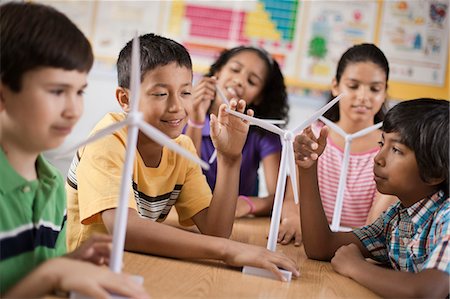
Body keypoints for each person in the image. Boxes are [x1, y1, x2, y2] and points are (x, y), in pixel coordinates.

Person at [66, 33, 299, 281]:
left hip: (137, 267)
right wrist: (229, 251)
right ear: (125, 99)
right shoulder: (108, 138)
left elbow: (216, 230)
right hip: (85, 273)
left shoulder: (182, 147)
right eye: (160, 94)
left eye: (185, 92)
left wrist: (230, 159)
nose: (177, 106)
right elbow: (125, 229)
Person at [0, 2, 148, 298]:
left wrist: (69, 263)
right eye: (57, 91)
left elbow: (30, 280)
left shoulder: (52, 186)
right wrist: (55, 272)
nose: (74, 110)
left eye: (79, 91)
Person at [294, 98, 449, 297]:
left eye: (396, 150)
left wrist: (356, 267)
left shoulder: (446, 219)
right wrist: (308, 169)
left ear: (435, 172)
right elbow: (321, 247)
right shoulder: (396, 219)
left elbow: (428, 292)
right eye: (381, 143)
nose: (378, 158)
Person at [279, 43, 398, 245]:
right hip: (306, 244)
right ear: (335, 86)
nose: (363, 96)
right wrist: (292, 218)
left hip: (356, 251)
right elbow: (292, 199)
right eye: (353, 86)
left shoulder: (392, 149)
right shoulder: (310, 136)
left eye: (375, 89)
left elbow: (376, 225)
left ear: (384, 92)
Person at [185, 46, 294, 219]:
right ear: (218, 72)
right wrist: (195, 120)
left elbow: (280, 196)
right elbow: (182, 179)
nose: (239, 81)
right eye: (235, 69)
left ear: (259, 97)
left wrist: (248, 204)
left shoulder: (263, 134)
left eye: (252, 81)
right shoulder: (181, 116)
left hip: (235, 223)